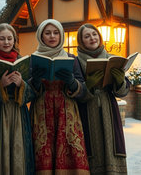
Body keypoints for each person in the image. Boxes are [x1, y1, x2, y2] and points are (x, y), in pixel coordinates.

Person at [29, 19, 90, 174]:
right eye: (47, 33)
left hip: (67, 113)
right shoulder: (33, 59)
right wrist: (34, 81)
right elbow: (27, 92)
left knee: (69, 152)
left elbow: (84, 90)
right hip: (41, 113)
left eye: (56, 33)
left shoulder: (72, 58)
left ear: (61, 35)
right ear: (41, 36)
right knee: (42, 152)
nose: (52, 36)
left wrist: (71, 81)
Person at [75, 23, 129, 175]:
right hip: (86, 110)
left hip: (108, 109)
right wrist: (88, 86)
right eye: (87, 36)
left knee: (112, 146)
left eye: (94, 34)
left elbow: (124, 91)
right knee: (91, 147)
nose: (92, 38)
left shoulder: (113, 58)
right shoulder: (76, 62)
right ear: (81, 41)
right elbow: (75, 91)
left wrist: (120, 81)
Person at [0, 23, 35, 175]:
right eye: (2, 39)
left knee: (20, 152)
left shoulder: (23, 61)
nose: (6, 42)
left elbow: (32, 93)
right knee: (0, 151)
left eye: (9, 38)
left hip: (19, 113)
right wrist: (0, 85)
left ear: (14, 40)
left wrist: (22, 84)